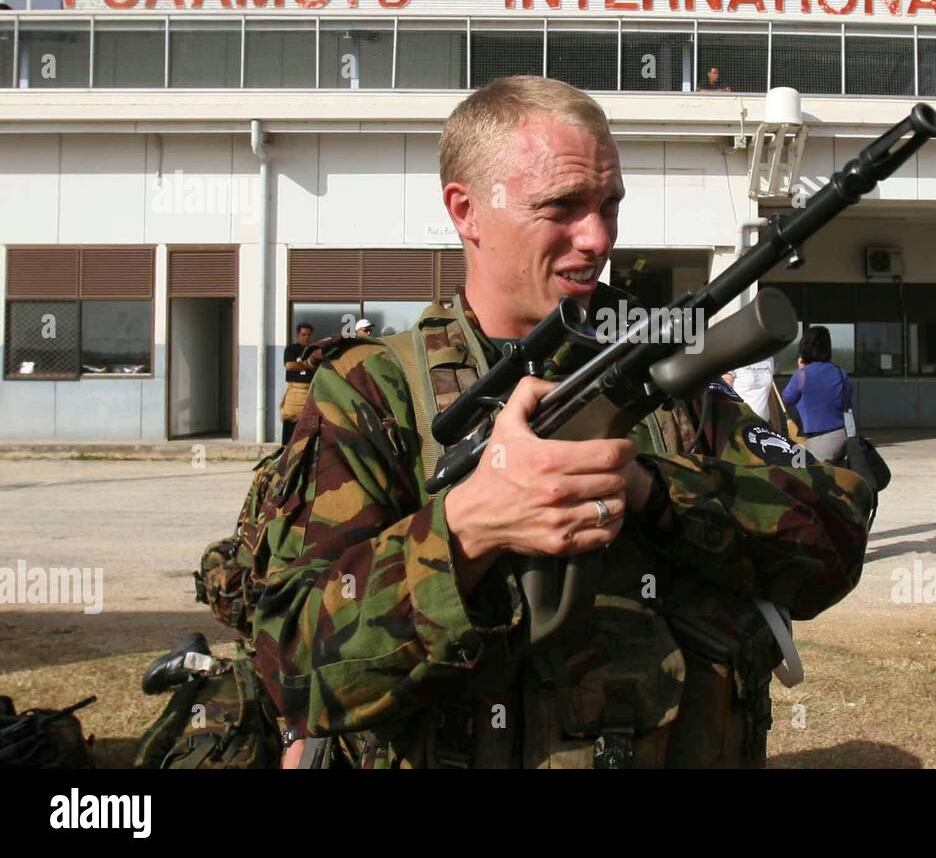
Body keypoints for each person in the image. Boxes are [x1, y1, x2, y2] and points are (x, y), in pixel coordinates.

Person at [249, 76, 874, 769]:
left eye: (610, 205)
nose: (598, 237)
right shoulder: (377, 390)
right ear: (467, 210)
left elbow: (835, 539)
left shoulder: (659, 374)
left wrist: (651, 489)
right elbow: (293, 665)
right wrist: (466, 528)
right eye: (563, 206)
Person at [781, 326, 853, 464]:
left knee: (800, 473)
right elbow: (848, 400)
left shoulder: (802, 375)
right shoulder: (840, 372)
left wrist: (801, 370)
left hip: (818, 440)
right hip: (843, 438)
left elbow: (787, 398)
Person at [279, 323, 317, 446]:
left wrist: (305, 365)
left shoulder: (314, 350)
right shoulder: (291, 349)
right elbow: (290, 365)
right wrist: (308, 364)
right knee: (290, 418)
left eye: (308, 335)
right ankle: (285, 450)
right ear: (298, 335)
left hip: (310, 390)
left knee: (310, 421)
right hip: (295, 391)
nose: (306, 337)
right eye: (303, 334)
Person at [724, 356, 776, 426]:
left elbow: (769, 392)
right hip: (740, 424)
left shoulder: (768, 358)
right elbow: (723, 393)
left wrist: (777, 424)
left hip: (763, 425)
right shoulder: (734, 355)